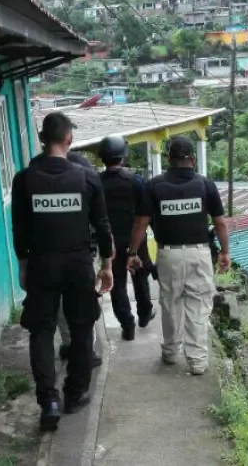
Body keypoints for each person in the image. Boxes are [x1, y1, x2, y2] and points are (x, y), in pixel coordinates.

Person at [11, 112, 114, 432]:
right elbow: (102, 225)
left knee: (41, 332)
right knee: (82, 328)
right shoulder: (86, 178)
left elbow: (19, 229)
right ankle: (74, 394)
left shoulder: (24, 179)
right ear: (69, 139)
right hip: (78, 264)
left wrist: (24, 265)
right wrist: (107, 264)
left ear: (43, 139)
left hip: (41, 263)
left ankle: (49, 402)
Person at [126, 136, 230, 375]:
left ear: (169, 159)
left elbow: (141, 222)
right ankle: (197, 361)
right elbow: (220, 222)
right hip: (200, 253)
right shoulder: (205, 185)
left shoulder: (154, 186)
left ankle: (171, 352)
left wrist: (132, 252)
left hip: (168, 254)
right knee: (198, 304)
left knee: (170, 302)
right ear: (192, 159)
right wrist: (225, 252)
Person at [30, 150, 103, 369]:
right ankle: (84, 349)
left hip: (48, 261)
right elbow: (100, 225)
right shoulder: (86, 185)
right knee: (84, 305)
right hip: (82, 259)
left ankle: (71, 344)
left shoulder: (37, 187)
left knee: (62, 306)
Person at [98, 136, 156, 341]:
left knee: (117, 285)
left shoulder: (97, 182)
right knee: (140, 277)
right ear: (124, 156)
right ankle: (144, 314)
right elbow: (146, 213)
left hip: (110, 242)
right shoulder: (136, 181)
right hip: (135, 239)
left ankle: (127, 323)